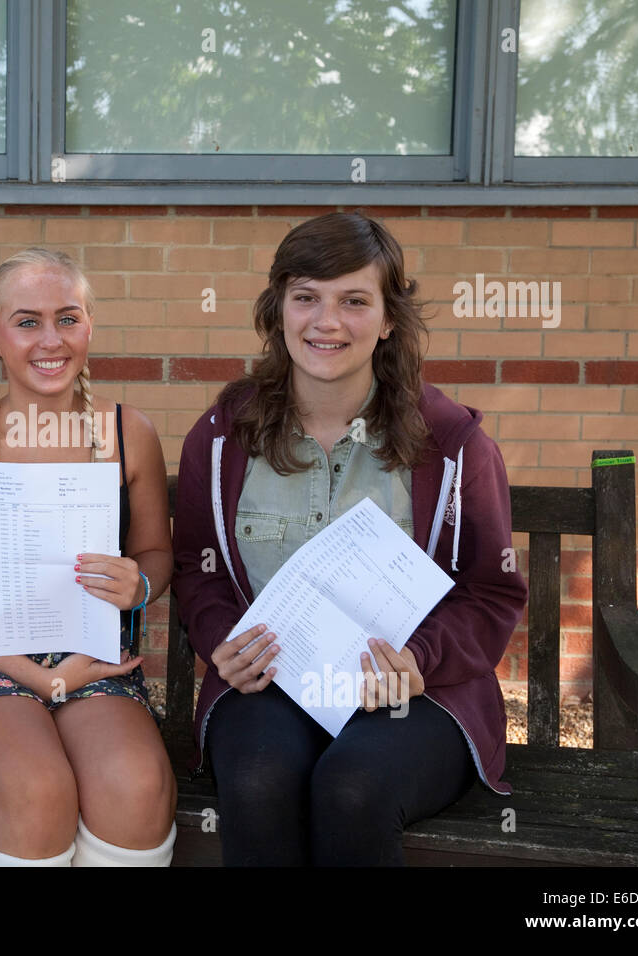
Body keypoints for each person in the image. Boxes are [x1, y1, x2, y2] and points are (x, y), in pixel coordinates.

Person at [172, 211, 527, 866]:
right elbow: (200, 573)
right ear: (278, 307)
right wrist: (223, 641)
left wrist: (420, 661)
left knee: (353, 788)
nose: (326, 322)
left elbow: (491, 594)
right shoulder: (222, 437)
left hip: (418, 694)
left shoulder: (451, 445)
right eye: (305, 296)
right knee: (256, 779)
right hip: (270, 682)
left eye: (354, 301)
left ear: (388, 318)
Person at [0, 248, 177, 866]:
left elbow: (157, 552)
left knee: (136, 788)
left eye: (68, 318)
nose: (50, 339)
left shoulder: (125, 433)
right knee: (36, 789)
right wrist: (41, 679)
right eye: (27, 321)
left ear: (90, 326)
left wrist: (139, 584)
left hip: (93, 658)